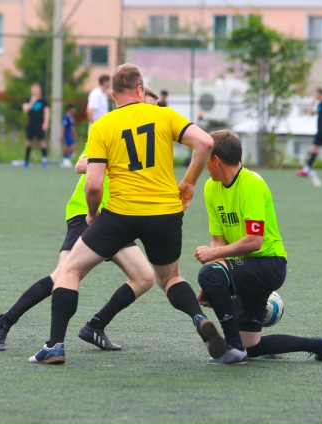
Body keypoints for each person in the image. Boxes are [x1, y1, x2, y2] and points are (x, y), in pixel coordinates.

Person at [29, 63, 225, 365]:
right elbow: (206, 142)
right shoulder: (164, 115)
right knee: (170, 278)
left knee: (69, 271)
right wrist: (189, 182)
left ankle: (55, 346)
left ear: (112, 94)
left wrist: (92, 215)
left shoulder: (103, 125)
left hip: (121, 213)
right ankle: (199, 318)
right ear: (140, 89)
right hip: (166, 213)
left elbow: (93, 184)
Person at [0, 89, 161, 353]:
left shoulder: (148, 144)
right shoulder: (112, 130)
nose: (152, 115)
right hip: (87, 213)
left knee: (145, 277)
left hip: (117, 217)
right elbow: (80, 165)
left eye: (156, 111)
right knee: (63, 275)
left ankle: (95, 326)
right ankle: (4, 322)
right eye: (149, 108)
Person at [195, 129, 322, 364]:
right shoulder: (210, 188)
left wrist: (213, 264)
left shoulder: (251, 184)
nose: (202, 163)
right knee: (251, 346)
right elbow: (218, 240)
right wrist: (214, 281)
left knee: (209, 274)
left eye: (204, 157)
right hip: (244, 266)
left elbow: (254, 242)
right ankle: (321, 345)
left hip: (268, 265)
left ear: (216, 160)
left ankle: (232, 348)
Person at [297, 88, 322, 179]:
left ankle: (306, 170)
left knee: (316, 150)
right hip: (320, 130)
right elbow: (312, 113)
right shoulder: (320, 105)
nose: (315, 95)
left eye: (316, 94)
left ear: (320, 93)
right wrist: (312, 103)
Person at [22, 83, 49, 168]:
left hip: (39, 125)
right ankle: (26, 161)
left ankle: (44, 160)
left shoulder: (43, 100)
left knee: (42, 142)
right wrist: (32, 102)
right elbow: (25, 109)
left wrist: (46, 123)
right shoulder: (28, 100)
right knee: (29, 143)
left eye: (37, 89)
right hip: (31, 124)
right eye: (34, 89)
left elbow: (47, 112)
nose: (35, 91)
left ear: (40, 90)